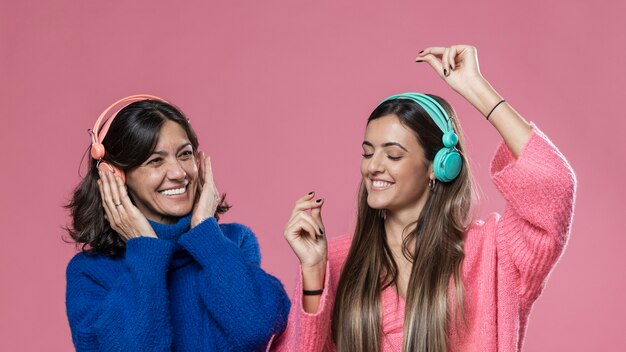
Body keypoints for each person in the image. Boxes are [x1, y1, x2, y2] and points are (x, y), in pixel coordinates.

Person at [271, 45, 576, 351]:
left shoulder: (494, 253)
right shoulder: (333, 261)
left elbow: (553, 185)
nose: (373, 166)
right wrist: (313, 272)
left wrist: (477, 89)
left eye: (393, 154)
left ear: (438, 166)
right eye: (367, 153)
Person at [65, 95, 290, 351]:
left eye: (185, 154)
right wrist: (146, 251)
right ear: (114, 176)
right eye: (155, 160)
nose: (179, 173)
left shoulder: (231, 242)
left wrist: (207, 235)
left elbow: (259, 330)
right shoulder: (89, 272)